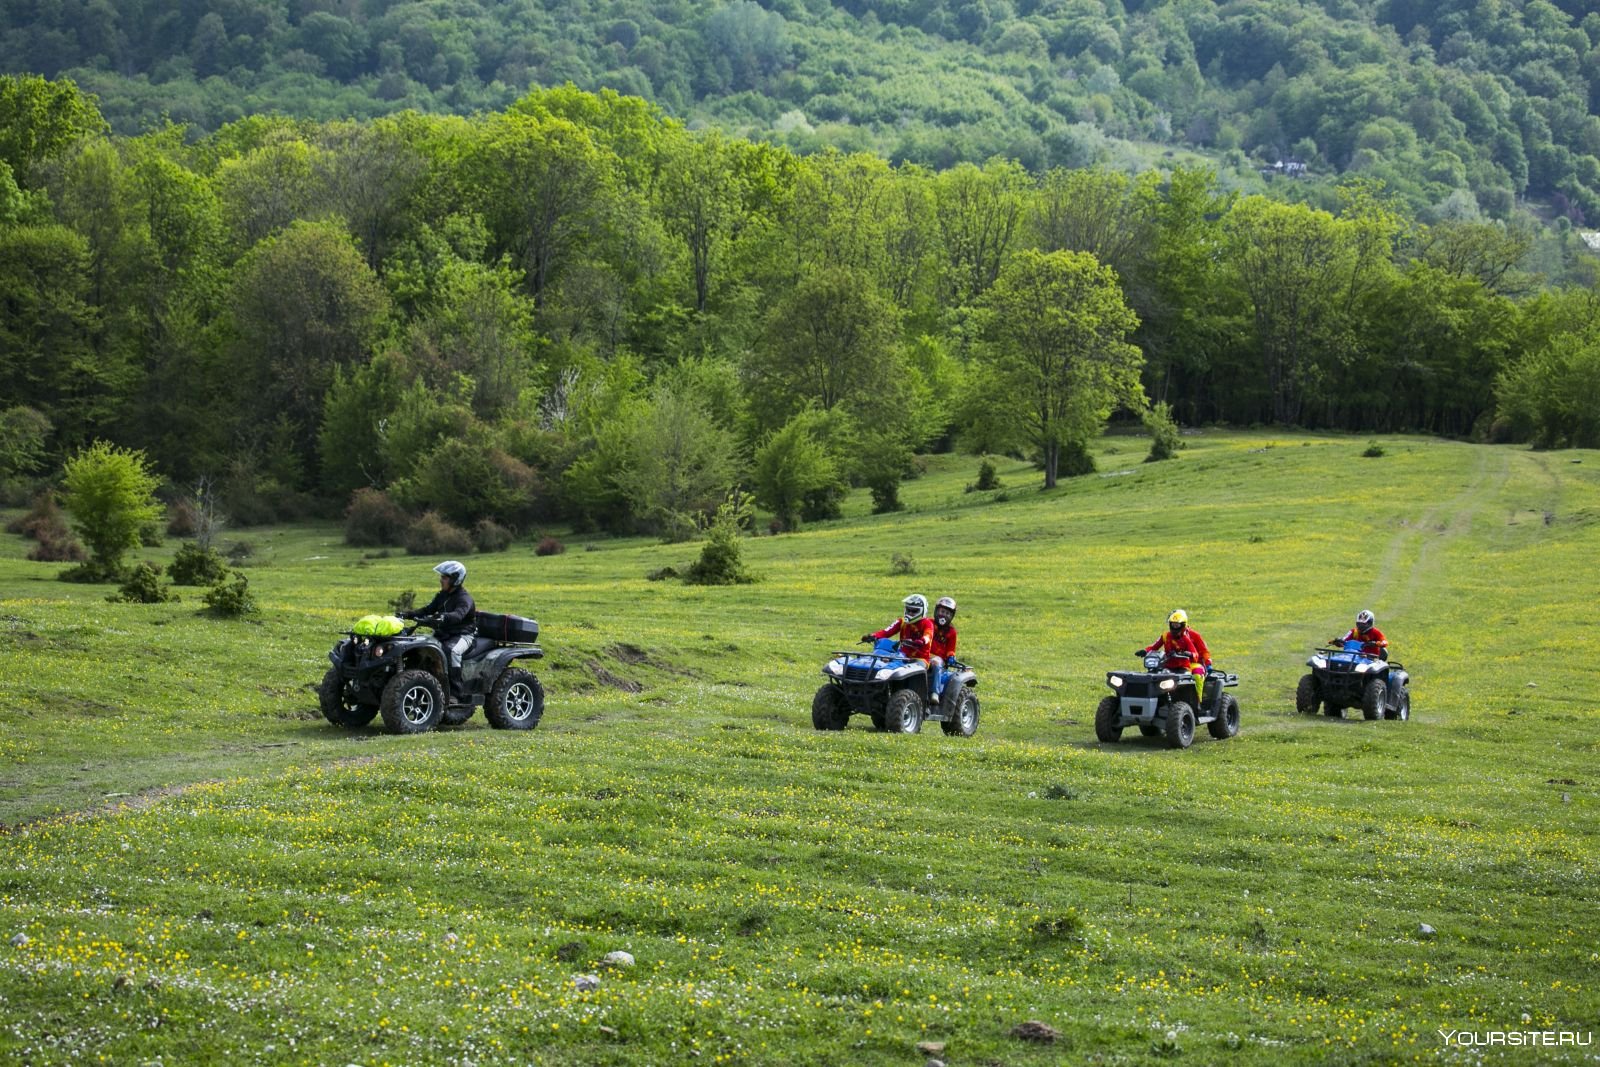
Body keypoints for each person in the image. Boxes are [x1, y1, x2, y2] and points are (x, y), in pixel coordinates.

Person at [400, 560, 477, 699]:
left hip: (463, 635)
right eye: (441, 577)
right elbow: (427, 610)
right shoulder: (442, 595)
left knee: (451, 651)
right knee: (420, 647)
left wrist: (443, 617)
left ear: (455, 579)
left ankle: (456, 693)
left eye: (444, 577)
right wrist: (407, 614)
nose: (441, 580)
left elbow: (458, 615)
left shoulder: (464, 598)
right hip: (443, 634)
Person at [1139, 609, 1210, 691]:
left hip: (1191, 664)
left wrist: (1208, 663)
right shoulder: (1166, 635)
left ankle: (1198, 698)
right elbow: (1154, 646)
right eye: (1173, 624)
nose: (1174, 626)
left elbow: (1204, 651)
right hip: (1169, 664)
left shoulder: (1193, 635)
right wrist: (1145, 651)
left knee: (1197, 674)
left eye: (1177, 624)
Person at [863, 593, 935, 664]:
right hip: (901, 655)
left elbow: (928, 636)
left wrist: (921, 641)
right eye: (908, 610)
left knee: (914, 666)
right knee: (882, 660)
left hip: (920, 659)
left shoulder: (927, 623)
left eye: (914, 611)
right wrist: (873, 636)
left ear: (922, 610)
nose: (910, 613)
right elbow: (886, 632)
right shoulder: (902, 621)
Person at [928, 596, 959, 697]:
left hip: (938, 658)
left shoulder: (951, 632)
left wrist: (951, 657)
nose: (943, 615)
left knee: (936, 663)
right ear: (936, 611)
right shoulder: (928, 623)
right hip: (923, 654)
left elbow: (951, 649)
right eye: (941, 612)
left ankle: (935, 693)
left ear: (951, 616)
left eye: (947, 614)